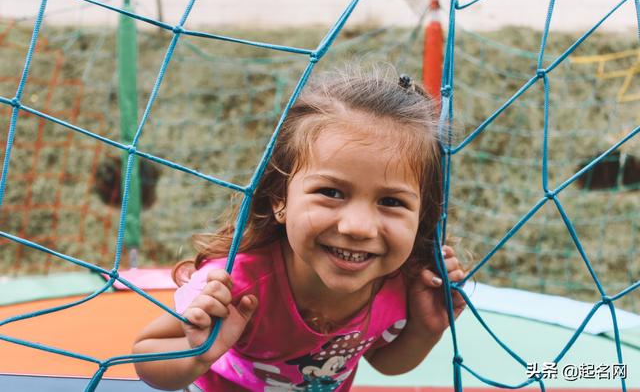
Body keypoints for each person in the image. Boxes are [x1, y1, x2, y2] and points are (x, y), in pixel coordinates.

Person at [132, 67, 466, 392]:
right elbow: (146, 356)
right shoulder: (235, 284)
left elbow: (384, 362)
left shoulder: (402, 280)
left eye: (391, 202)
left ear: (422, 217)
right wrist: (198, 355)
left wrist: (425, 328)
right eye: (331, 193)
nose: (358, 227)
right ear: (280, 199)